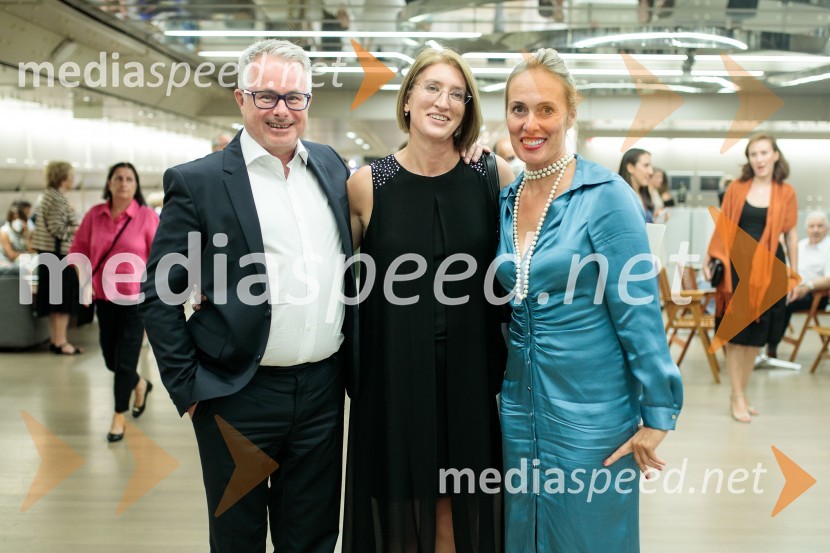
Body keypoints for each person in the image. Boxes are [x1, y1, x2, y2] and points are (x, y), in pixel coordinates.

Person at [140, 39, 358, 553]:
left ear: (308, 102)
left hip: (322, 391)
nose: (281, 110)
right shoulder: (199, 182)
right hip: (236, 393)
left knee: (313, 537)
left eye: (294, 97)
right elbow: (159, 292)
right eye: (266, 96)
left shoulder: (330, 167)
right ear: (241, 99)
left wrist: (466, 151)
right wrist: (188, 386)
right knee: (238, 538)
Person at [496, 49, 683, 552]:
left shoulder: (606, 195)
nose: (530, 124)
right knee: (525, 534)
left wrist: (658, 413)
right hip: (520, 408)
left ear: (570, 113)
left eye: (546, 109)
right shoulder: (508, 198)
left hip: (592, 412)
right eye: (518, 109)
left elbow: (639, 312)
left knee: (589, 536)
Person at [343, 47, 513, 553]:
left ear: (467, 109)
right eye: (432, 88)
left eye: (457, 94)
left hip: (471, 377)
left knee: (458, 507)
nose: (443, 102)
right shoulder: (367, 185)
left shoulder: (493, 176)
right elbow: (330, 279)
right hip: (393, 377)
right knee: (400, 505)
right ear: (408, 98)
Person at [703, 133, 798, 422]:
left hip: (768, 270)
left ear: (775, 155)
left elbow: (791, 235)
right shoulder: (737, 187)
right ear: (749, 159)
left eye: (764, 153)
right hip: (735, 269)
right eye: (753, 154)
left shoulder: (786, 192)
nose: (759, 159)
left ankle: (742, 393)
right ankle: (736, 396)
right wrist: (709, 256)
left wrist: (794, 273)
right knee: (736, 336)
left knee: (755, 338)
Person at [69, 163, 159, 442]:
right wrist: (85, 283)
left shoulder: (146, 217)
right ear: (109, 183)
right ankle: (139, 384)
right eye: (118, 178)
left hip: (135, 300)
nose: (123, 183)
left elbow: (160, 257)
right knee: (111, 359)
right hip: (104, 298)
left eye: (129, 179)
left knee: (126, 359)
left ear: (136, 185)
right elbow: (78, 251)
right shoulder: (95, 215)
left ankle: (118, 416)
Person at [31, 161, 83, 355]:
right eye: (71, 175)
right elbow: (58, 229)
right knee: (63, 300)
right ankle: (61, 342)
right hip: (58, 255)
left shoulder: (49, 195)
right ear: (63, 177)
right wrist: (77, 229)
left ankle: (57, 340)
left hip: (50, 255)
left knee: (55, 300)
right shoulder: (57, 198)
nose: (73, 179)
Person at [766, 210, 830, 358]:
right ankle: (758, 343)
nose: (815, 230)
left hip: (815, 294)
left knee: (783, 302)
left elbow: (829, 278)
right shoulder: (800, 246)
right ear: (806, 229)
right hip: (792, 289)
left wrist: (807, 287)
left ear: (826, 228)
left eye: (820, 226)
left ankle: (771, 346)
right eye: (812, 226)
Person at [618, 148, 663, 223]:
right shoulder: (620, 197)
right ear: (630, 168)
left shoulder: (644, 194)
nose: (651, 172)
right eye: (646, 165)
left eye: (651, 167)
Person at [0, 200, 34, 268]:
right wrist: (26, 255)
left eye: (20, 218)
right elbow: (11, 255)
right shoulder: (4, 231)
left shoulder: (28, 229)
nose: (17, 221)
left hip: (22, 259)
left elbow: (32, 250)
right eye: (14, 218)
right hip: (7, 262)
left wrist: (26, 236)